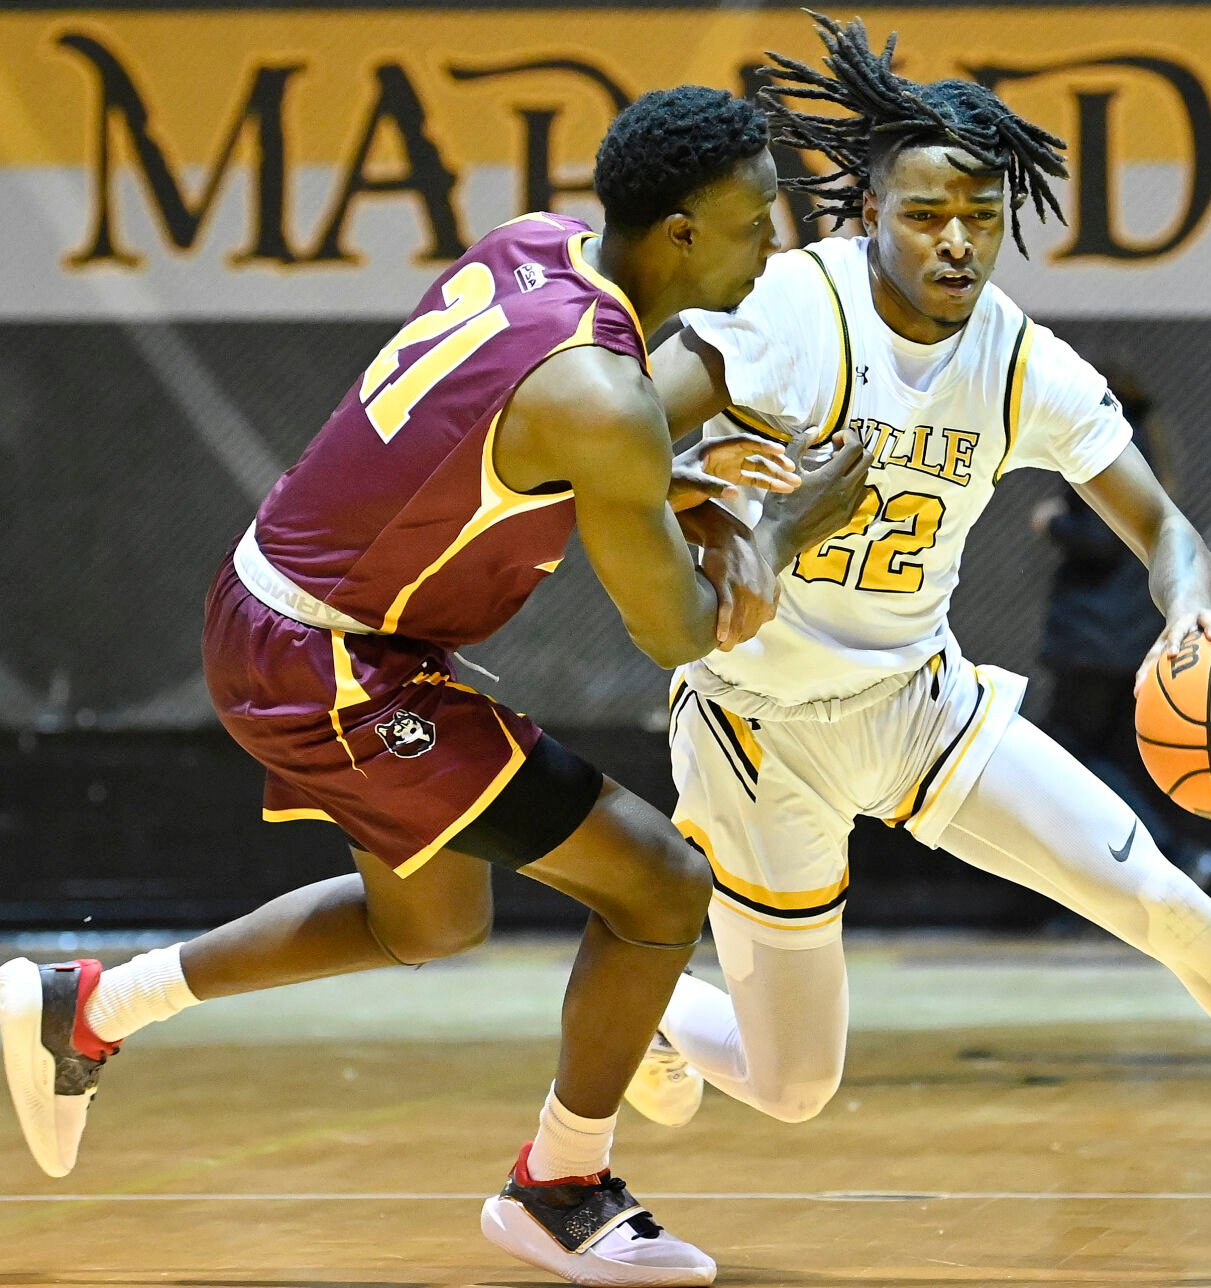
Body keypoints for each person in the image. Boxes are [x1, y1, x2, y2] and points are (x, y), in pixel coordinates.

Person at [623, 15, 1211, 1267]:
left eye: (977, 211)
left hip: (917, 703)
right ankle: (653, 1014)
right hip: (757, 730)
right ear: (865, 216)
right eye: (922, 213)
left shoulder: (1019, 360)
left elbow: (1168, 530)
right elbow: (617, 431)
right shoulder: (794, 307)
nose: (954, 238)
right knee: (794, 1085)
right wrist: (701, 480)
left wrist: (1190, 610)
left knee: (1162, 902)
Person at [0, 86, 868, 1288]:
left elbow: (500, 444)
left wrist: (685, 487)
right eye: (754, 217)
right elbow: (681, 630)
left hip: (294, 611)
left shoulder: (531, 248)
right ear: (677, 234)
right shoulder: (603, 402)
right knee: (661, 885)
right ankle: (556, 1184)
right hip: (334, 666)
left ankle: (87, 1005)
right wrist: (788, 515)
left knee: (433, 921)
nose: (772, 239)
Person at [1031, 378, 1211, 889]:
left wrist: (1054, 524)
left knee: (1072, 752)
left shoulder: (1108, 435)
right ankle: (1146, 868)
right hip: (1124, 632)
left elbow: (1102, 537)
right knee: (1102, 758)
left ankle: (1174, 855)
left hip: (1096, 636)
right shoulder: (1146, 443)